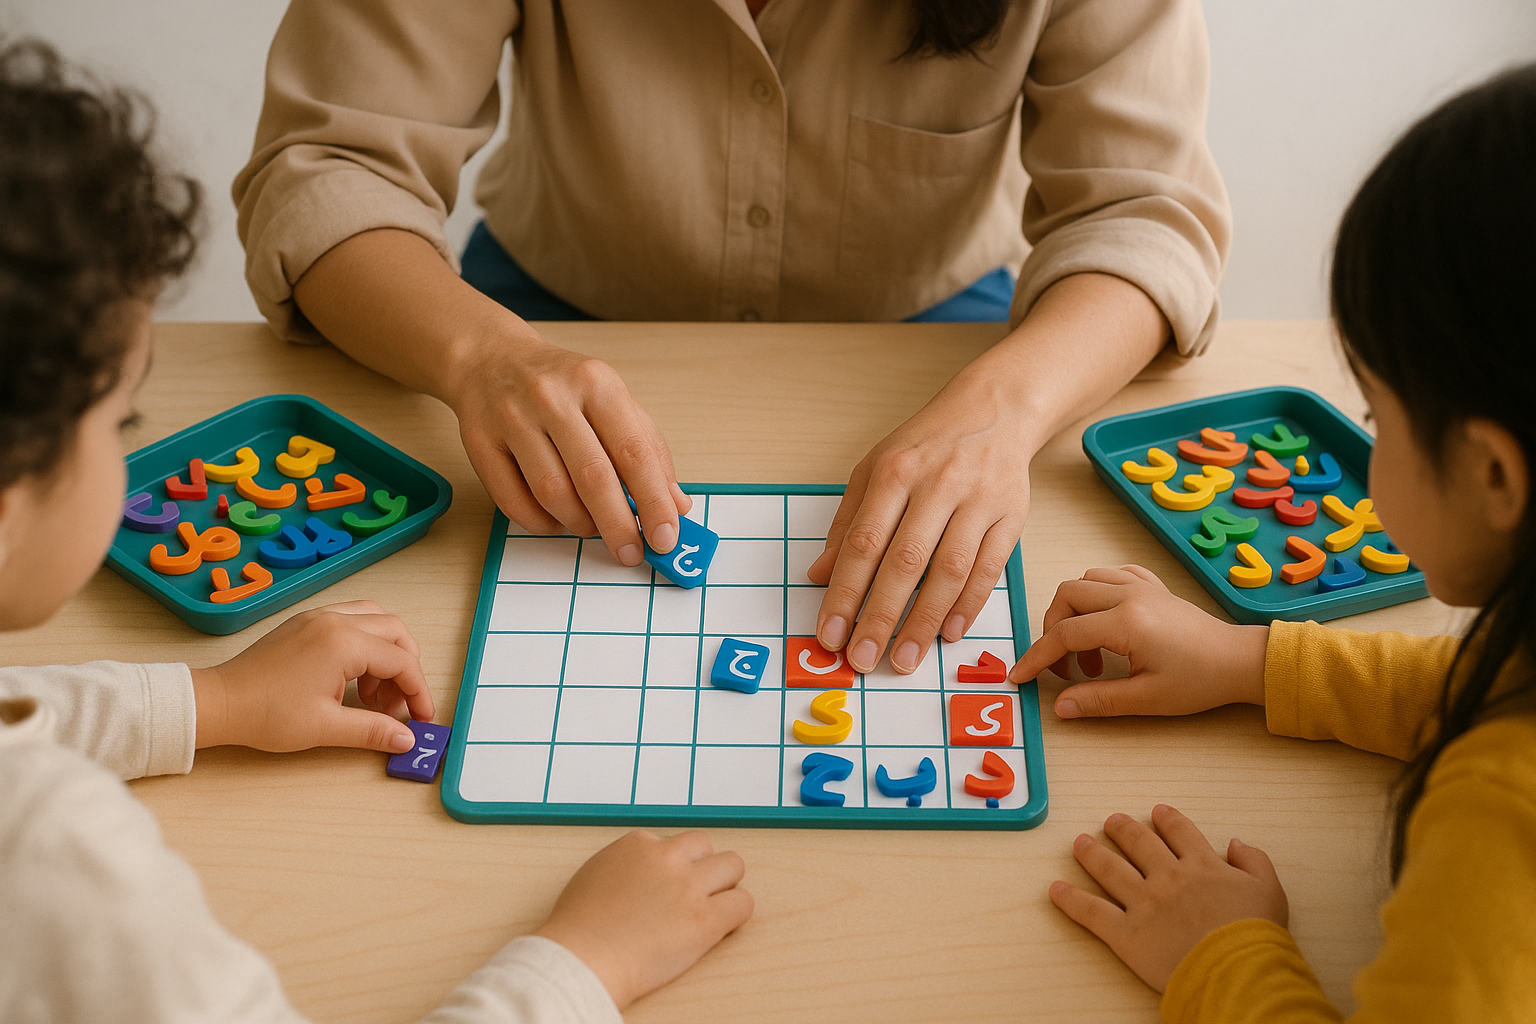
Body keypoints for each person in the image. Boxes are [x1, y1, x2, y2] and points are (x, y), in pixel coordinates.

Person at [0, 40, 749, 1022]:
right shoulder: (57, 854)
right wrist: (584, 963)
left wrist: (210, 702)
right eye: (122, 421)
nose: (130, 443)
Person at [233, 0, 1231, 677]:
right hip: (532, 310)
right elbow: (326, 167)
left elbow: (1143, 215)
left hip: (944, 334)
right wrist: (476, 355)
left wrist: (1008, 410)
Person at [1007, 65, 1536, 1020]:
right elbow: (1490, 687)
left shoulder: (1500, 827)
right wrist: (1252, 658)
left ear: (1495, 476)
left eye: (1379, 417)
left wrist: (1221, 955)